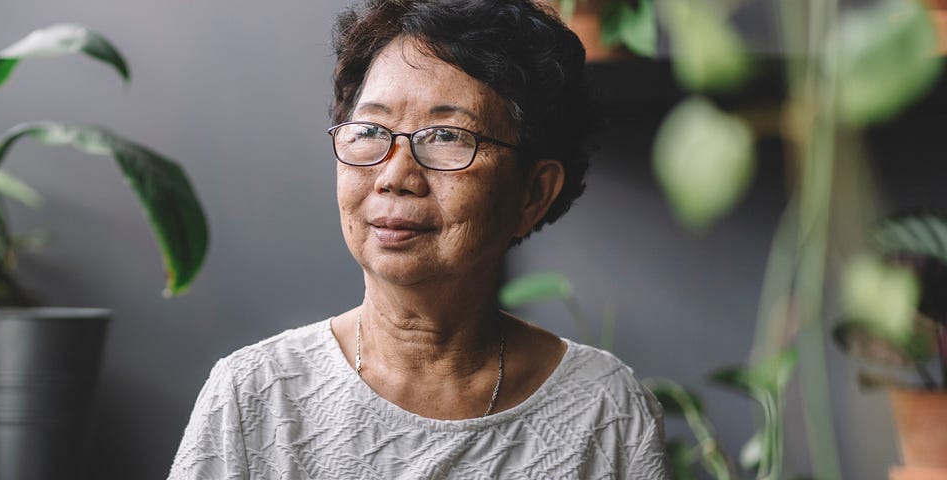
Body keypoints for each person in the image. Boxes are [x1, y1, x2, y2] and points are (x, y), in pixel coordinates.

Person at [168, 0, 668, 478]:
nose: (395, 175)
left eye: (447, 136)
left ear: (534, 193)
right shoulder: (255, 395)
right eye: (370, 129)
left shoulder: (606, 411)